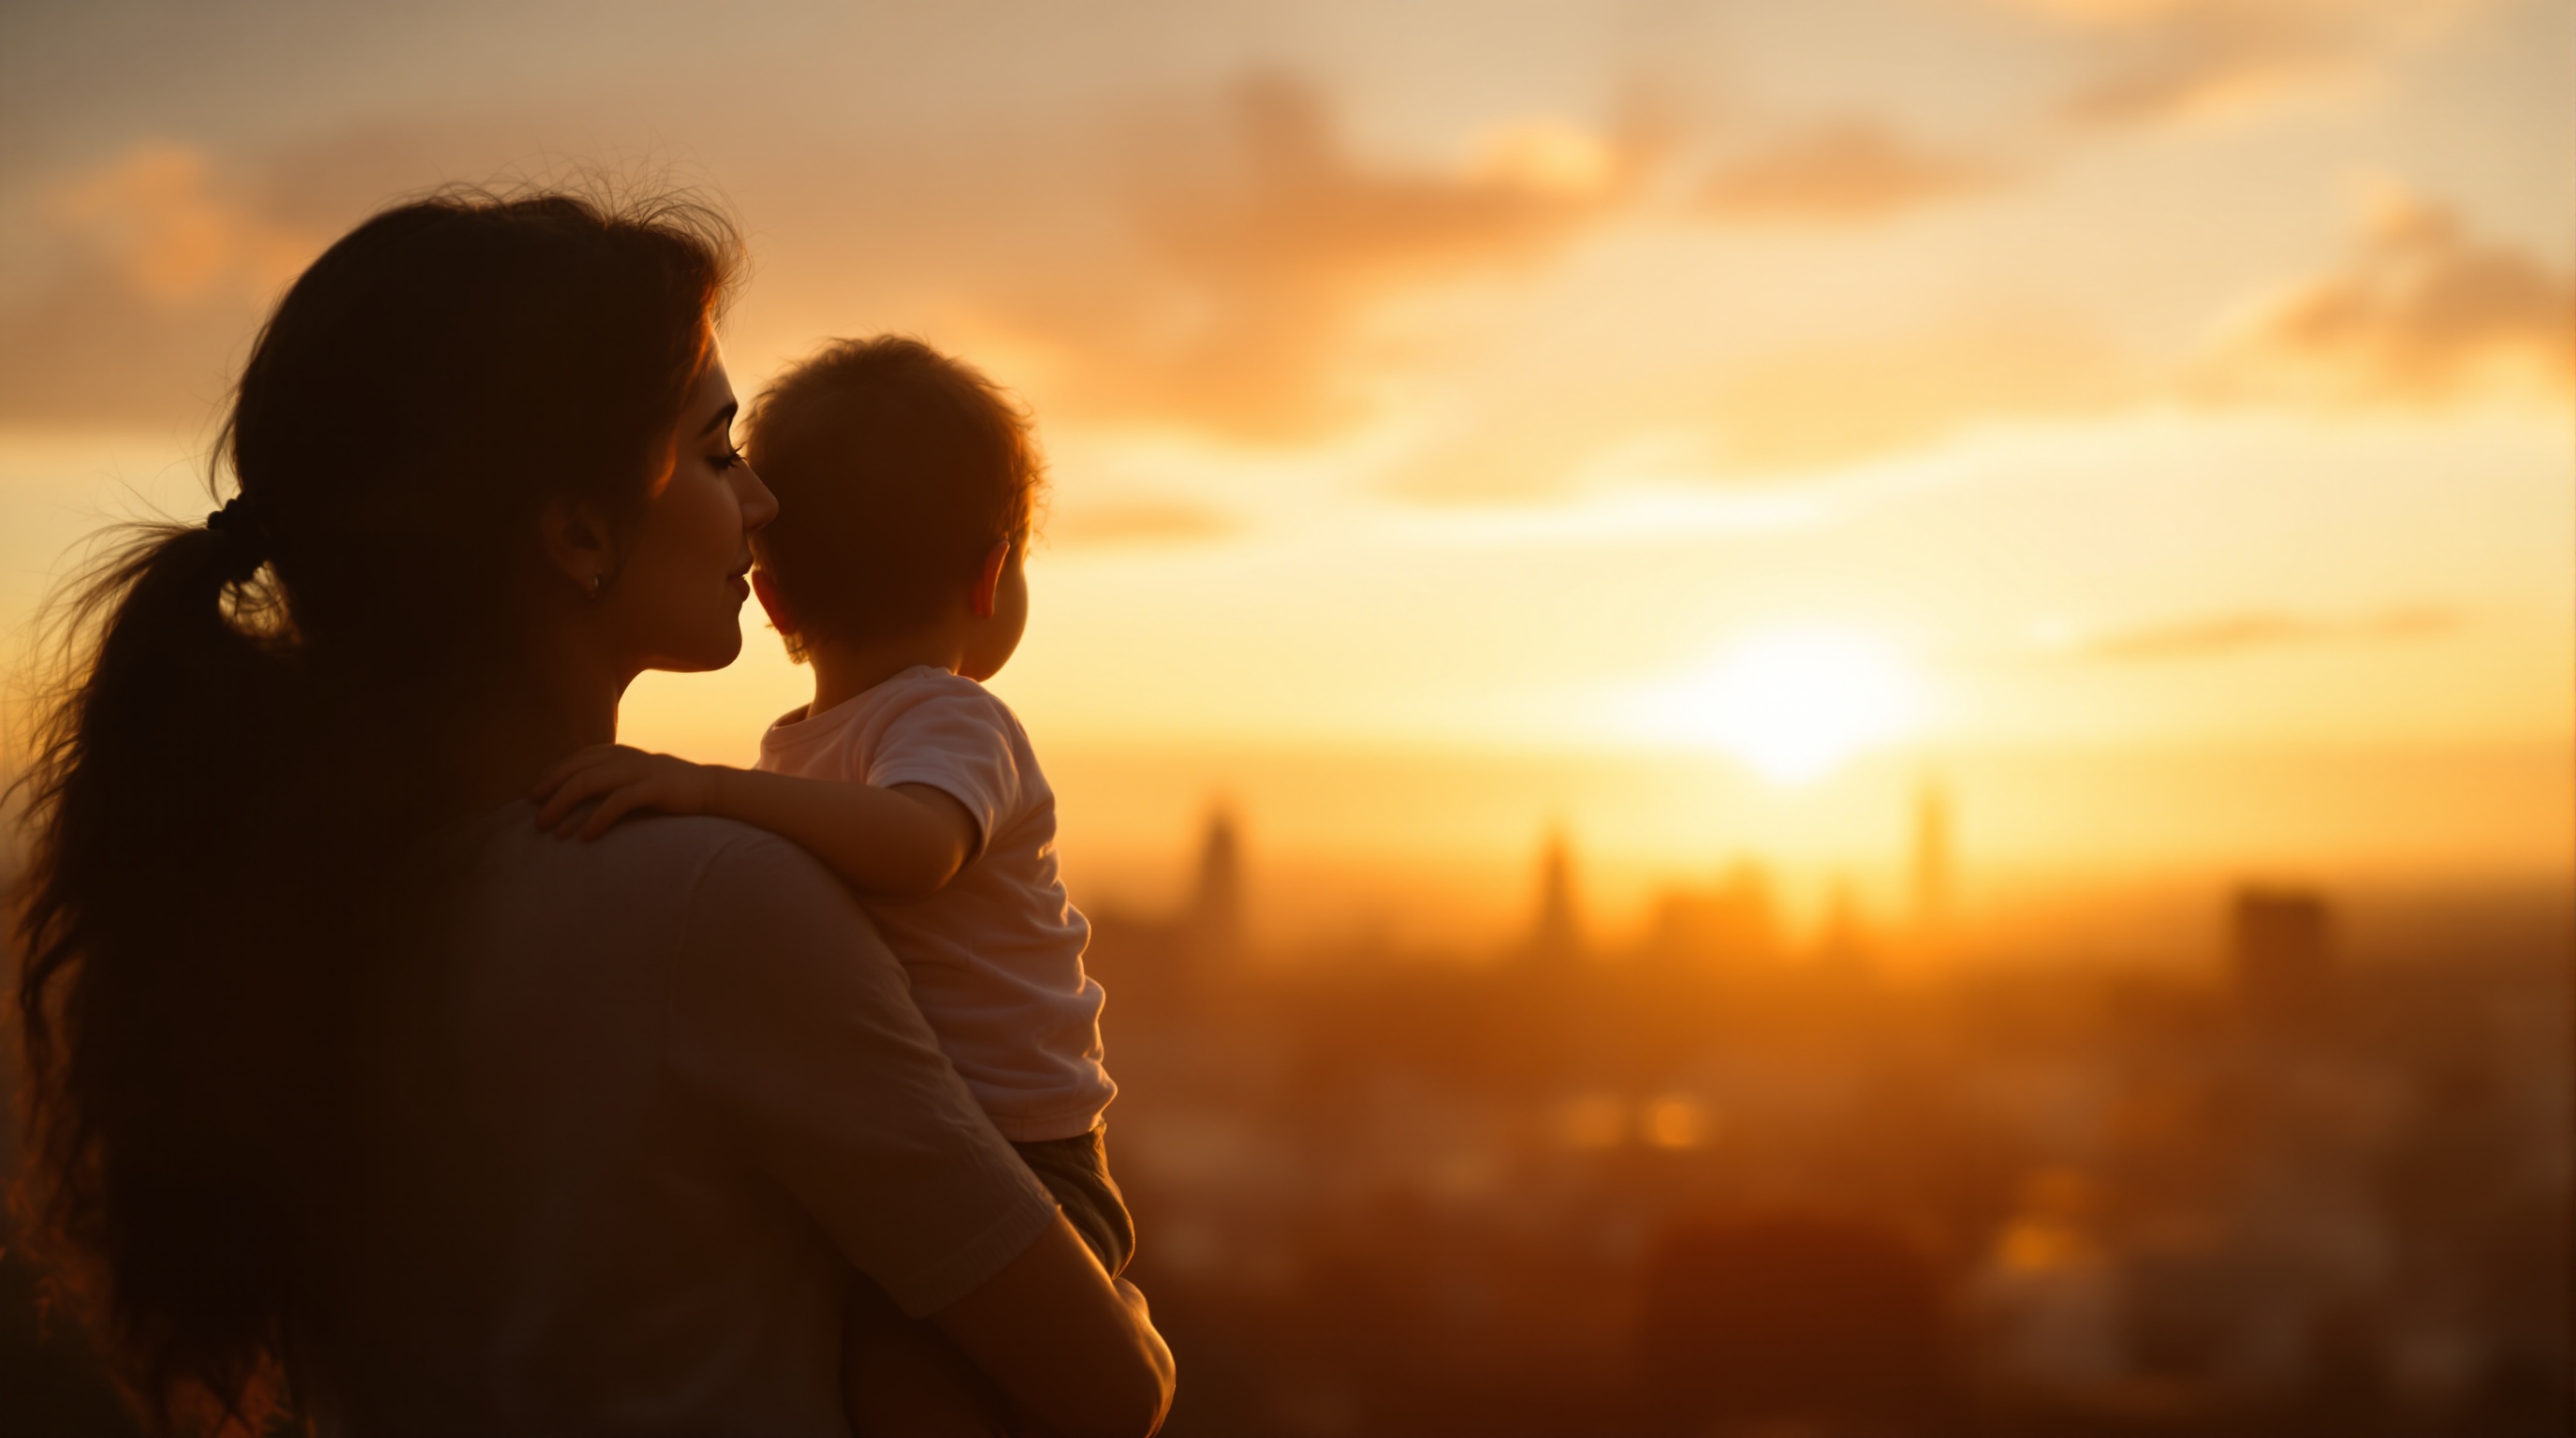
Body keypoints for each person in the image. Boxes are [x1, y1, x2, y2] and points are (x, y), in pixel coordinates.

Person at [8, 189, 1173, 1438]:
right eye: (719, 453)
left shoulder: (314, 905)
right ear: (577, 533)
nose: (764, 504)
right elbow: (1111, 1391)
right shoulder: (709, 901)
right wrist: (1130, 1320)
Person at [529, 335, 1131, 1431]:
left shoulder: (945, 724)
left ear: (771, 600)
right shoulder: (898, 724)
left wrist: (713, 793)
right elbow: (907, 847)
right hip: (961, 1161)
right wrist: (714, 795)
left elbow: (919, 846)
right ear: (990, 576)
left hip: (1024, 1165)